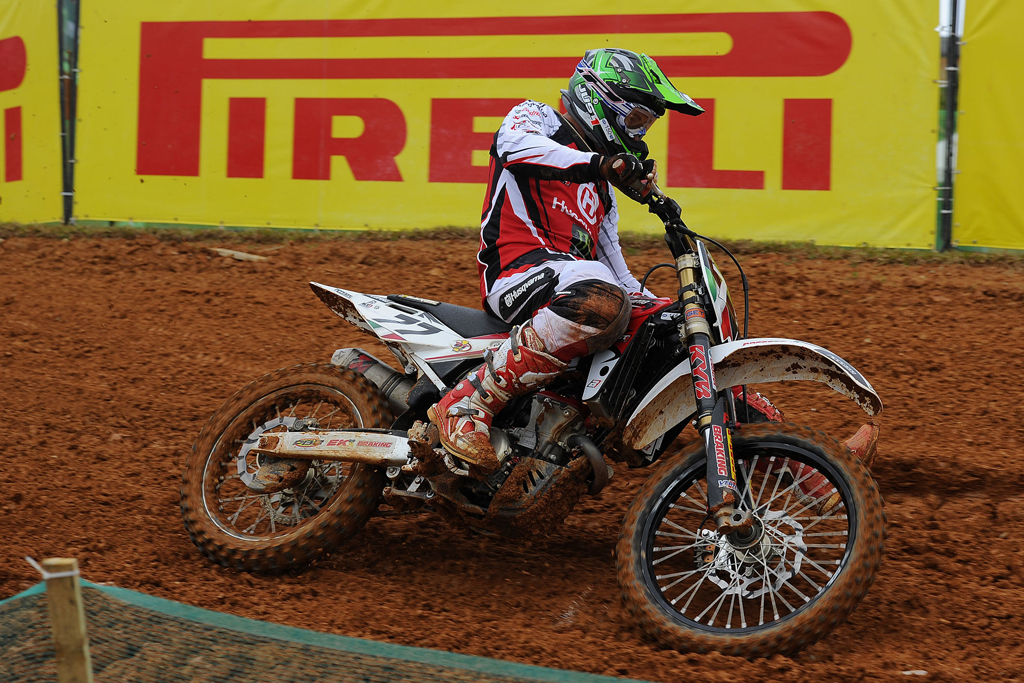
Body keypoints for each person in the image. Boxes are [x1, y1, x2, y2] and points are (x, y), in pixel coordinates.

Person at [428, 48, 704, 474]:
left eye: (646, 125)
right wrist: (600, 164)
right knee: (602, 295)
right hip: (516, 276)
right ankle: (465, 404)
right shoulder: (538, 118)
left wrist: (674, 312)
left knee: (663, 323)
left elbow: (620, 275)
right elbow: (514, 146)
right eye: (635, 120)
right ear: (599, 101)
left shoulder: (603, 191)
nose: (639, 134)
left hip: (572, 287)